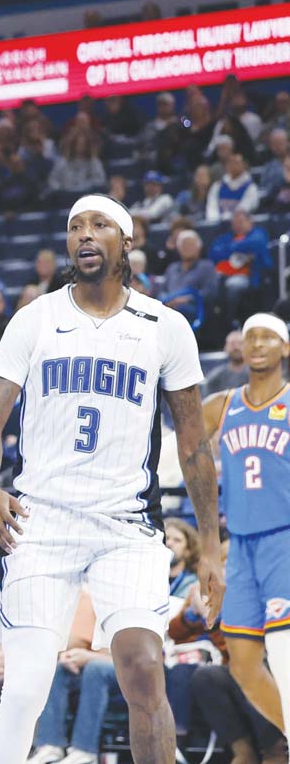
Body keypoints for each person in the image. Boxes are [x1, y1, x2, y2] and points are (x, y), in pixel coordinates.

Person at [0, 193, 224, 764]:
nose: (85, 234)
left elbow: (193, 443)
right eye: (75, 226)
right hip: (41, 519)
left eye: (100, 225)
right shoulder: (34, 318)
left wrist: (209, 545)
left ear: (126, 241)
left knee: (142, 668)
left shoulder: (166, 326)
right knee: (29, 681)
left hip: (125, 523)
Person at [203, 313, 290, 749]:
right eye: (250, 336)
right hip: (239, 545)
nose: (256, 343)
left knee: (284, 651)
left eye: (267, 337)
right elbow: (183, 443)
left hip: (284, 538)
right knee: (242, 661)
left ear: (285, 348)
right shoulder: (222, 404)